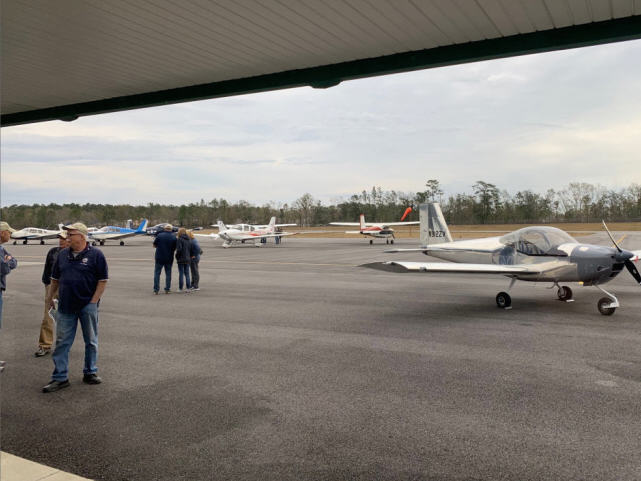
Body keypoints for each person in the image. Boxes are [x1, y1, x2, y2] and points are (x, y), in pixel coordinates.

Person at [42, 223, 108, 393]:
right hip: (65, 306)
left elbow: (102, 281)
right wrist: (50, 297)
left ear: (82, 236)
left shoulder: (96, 255)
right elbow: (55, 279)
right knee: (62, 342)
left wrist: (93, 302)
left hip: (87, 305)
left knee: (91, 341)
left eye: (71, 234)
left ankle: (90, 372)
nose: (67, 237)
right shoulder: (62, 255)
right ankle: (60, 377)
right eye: (67, 234)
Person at [36, 231, 70, 357]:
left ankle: (64, 345)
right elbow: (47, 270)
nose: (61, 241)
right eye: (60, 238)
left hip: (68, 287)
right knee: (48, 316)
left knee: (68, 317)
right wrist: (47, 285)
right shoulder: (53, 252)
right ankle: (45, 345)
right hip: (52, 286)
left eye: (64, 238)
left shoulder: (74, 253)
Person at [0, 221, 18, 373]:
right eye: (9, 232)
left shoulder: (2, 248)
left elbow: (14, 261)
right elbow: (4, 268)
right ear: (2, 233)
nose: (10, 234)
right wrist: (7, 262)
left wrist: (7, 261)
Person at [153, 224, 176, 294]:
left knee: (157, 273)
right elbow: (175, 247)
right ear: (171, 229)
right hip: (169, 257)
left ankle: (156, 290)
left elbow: (154, 245)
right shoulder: (174, 236)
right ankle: (167, 289)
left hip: (159, 257)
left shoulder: (159, 235)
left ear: (164, 229)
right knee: (168, 274)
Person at [175, 227, 192, 292]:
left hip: (181, 259)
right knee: (187, 274)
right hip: (187, 258)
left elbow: (179, 250)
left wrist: (177, 256)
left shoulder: (179, 239)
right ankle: (188, 288)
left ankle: (180, 288)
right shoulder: (189, 239)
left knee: (181, 274)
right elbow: (190, 249)